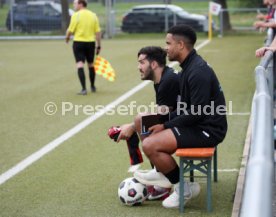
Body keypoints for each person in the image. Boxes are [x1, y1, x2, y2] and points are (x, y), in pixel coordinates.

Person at [133, 25, 228, 209]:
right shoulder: (187, 68)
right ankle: (161, 172)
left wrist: (166, 124)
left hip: (208, 130)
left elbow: (197, 112)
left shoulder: (197, 71)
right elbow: (186, 109)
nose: (166, 48)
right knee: (144, 122)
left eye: (168, 43)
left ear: (181, 45)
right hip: (196, 123)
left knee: (150, 145)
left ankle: (183, 188)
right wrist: (162, 121)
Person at [115, 46, 180, 200]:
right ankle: (160, 174)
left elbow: (163, 117)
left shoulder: (167, 81)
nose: (139, 67)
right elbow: (163, 113)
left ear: (154, 64)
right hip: (179, 120)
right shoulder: (163, 77)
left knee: (142, 125)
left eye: (142, 62)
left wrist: (131, 127)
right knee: (140, 120)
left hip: (188, 125)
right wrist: (133, 125)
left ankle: (167, 179)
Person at [66, 0, 101, 95]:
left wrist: (67, 38)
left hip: (78, 43)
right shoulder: (93, 15)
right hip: (90, 43)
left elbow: (70, 30)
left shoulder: (76, 15)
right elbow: (97, 32)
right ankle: (93, 86)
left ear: (81, 4)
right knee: (90, 64)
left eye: (75, 3)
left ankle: (84, 89)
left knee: (80, 64)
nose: (74, 5)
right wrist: (99, 45)